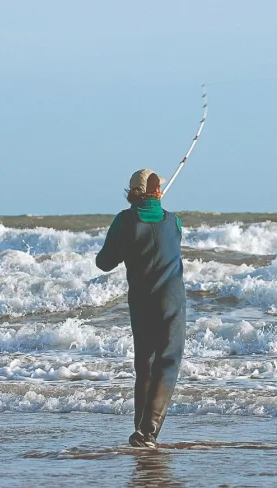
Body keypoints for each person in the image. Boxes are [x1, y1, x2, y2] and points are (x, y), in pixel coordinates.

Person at [96, 169, 186, 448]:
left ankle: (141, 431)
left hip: (141, 301)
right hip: (171, 300)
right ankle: (148, 432)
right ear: (159, 193)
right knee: (168, 362)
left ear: (132, 193)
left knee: (144, 365)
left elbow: (104, 262)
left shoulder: (124, 221)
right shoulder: (175, 222)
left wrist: (126, 244)